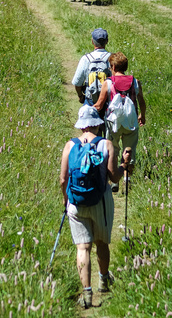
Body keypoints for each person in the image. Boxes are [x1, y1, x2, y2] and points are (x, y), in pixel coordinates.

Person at [60, 105, 132, 308]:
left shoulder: (70, 146)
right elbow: (114, 176)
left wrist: (66, 200)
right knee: (101, 243)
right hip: (100, 200)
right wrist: (124, 165)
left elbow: (63, 178)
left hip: (76, 202)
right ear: (97, 125)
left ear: (82, 126)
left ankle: (87, 294)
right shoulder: (106, 144)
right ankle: (103, 281)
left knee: (83, 247)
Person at [94, 52, 146, 192]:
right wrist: (142, 115)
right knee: (129, 150)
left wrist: (88, 111)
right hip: (131, 122)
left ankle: (114, 181)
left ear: (113, 66)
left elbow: (99, 105)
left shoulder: (108, 83)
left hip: (113, 123)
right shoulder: (135, 81)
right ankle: (127, 180)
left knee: (113, 150)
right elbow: (141, 101)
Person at [72, 28, 111, 119]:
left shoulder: (86, 59)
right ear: (107, 41)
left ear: (92, 41)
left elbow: (77, 83)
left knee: (90, 130)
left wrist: (81, 96)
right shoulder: (112, 58)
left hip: (90, 100)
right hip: (108, 101)